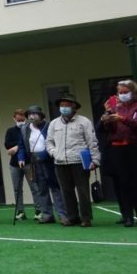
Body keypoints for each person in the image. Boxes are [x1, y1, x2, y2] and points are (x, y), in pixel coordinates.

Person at [46, 93, 101, 227]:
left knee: (83, 191)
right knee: (66, 191)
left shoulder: (84, 121)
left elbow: (92, 141)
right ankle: (72, 217)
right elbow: (49, 142)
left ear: (74, 106)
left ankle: (86, 218)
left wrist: (95, 160)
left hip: (79, 161)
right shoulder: (54, 123)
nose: (63, 107)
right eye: (61, 105)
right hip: (60, 162)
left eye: (66, 105)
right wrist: (54, 153)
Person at [99, 80, 137, 227]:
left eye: (125, 91)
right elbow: (105, 128)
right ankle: (127, 216)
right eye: (120, 92)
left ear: (133, 92)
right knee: (122, 183)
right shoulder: (114, 107)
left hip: (136, 147)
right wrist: (106, 115)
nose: (122, 94)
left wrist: (121, 118)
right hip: (117, 149)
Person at [16, 105, 66, 224]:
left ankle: (63, 215)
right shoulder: (25, 128)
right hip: (34, 162)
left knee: (55, 188)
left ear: (41, 116)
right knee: (41, 189)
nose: (32, 116)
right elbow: (21, 145)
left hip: (50, 161)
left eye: (35, 114)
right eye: (30, 114)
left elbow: (55, 143)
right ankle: (47, 215)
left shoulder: (49, 126)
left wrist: (46, 154)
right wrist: (21, 158)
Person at [4, 108, 38, 220]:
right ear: (14, 118)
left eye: (22, 119)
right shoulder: (10, 131)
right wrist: (17, 145)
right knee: (17, 189)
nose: (20, 121)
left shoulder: (30, 129)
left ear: (26, 118)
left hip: (29, 162)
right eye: (18, 119)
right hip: (14, 164)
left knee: (34, 187)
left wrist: (17, 147)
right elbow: (7, 145)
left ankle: (38, 210)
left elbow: (29, 142)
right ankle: (20, 211)